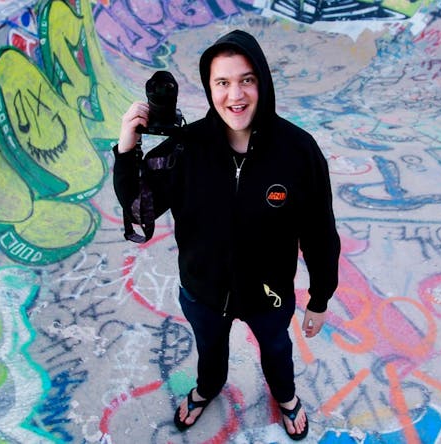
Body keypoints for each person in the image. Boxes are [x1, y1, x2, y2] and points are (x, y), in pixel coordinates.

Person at [111, 29, 340, 440]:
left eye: (246, 79)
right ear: (209, 87)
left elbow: (321, 232)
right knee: (210, 352)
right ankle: (207, 389)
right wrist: (127, 150)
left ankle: (285, 397)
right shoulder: (185, 148)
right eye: (223, 82)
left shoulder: (298, 150)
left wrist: (320, 297)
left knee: (276, 351)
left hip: (269, 294)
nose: (235, 94)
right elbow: (139, 209)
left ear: (263, 83)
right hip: (203, 291)